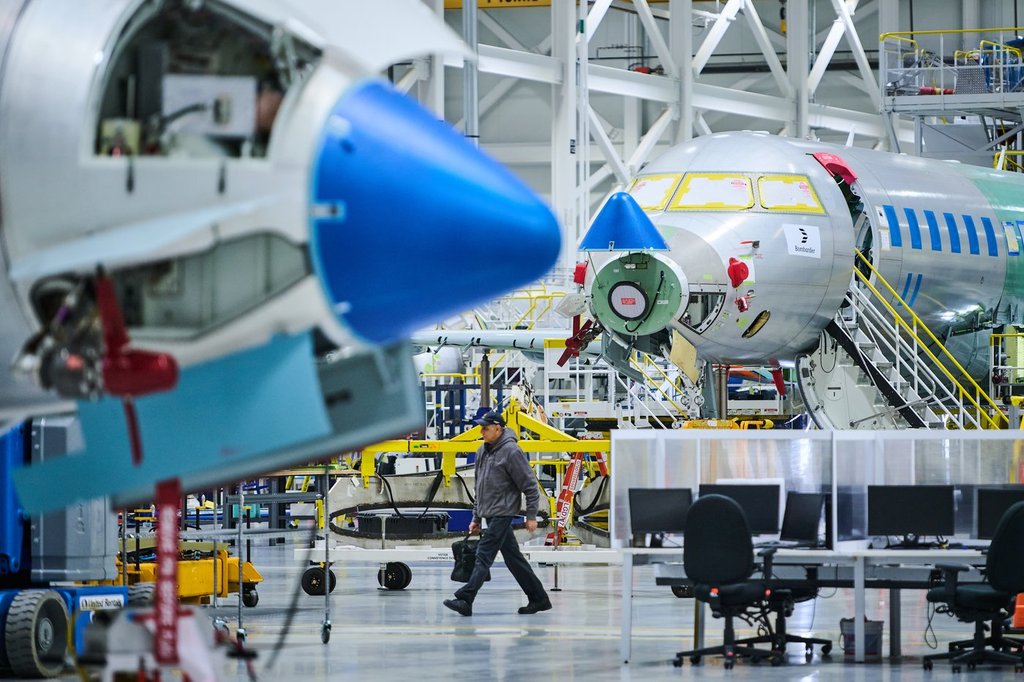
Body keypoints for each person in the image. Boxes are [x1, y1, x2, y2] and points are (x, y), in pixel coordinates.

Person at [443, 410, 551, 616]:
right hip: (489, 514)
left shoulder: (511, 452)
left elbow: (530, 486)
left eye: (485, 427)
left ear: (498, 428)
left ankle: (465, 599)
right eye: (481, 427)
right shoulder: (482, 451)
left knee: (483, 555)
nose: (481, 431)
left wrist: (530, 516)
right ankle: (539, 598)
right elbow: (479, 488)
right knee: (514, 559)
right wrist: (476, 517)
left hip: (503, 513)